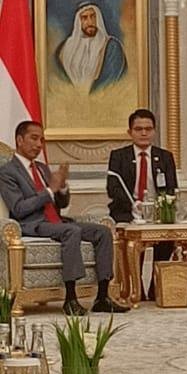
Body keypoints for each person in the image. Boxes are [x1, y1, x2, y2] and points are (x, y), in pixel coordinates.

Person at [0, 121, 129, 315]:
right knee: (71, 231)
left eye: (41, 140)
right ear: (19, 140)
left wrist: (62, 187)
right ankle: (70, 299)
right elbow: (19, 209)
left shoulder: (42, 168)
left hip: (57, 222)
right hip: (32, 225)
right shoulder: (8, 172)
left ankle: (103, 297)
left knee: (103, 232)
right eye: (34, 138)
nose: (39, 145)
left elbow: (62, 204)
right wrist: (49, 191)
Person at [107, 109, 177, 298]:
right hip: (127, 211)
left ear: (154, 131)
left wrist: (159, 206)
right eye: (139, 129)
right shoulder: (118, 156)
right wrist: (134, 204)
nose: (144, 133)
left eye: (148, 129)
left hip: (157, 212)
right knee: (133, 242)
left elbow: (171, 188)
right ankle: (135, 287)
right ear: (130, 132)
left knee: (168, 236)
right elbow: (113, 188)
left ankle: (156, 287)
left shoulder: (165, 157)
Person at [55, 2, 127, 94]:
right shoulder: (64, 49)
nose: (90, 22)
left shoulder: (112, 47)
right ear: (78, 22)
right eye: (84, 18)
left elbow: (111, 81)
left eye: (93, 17)